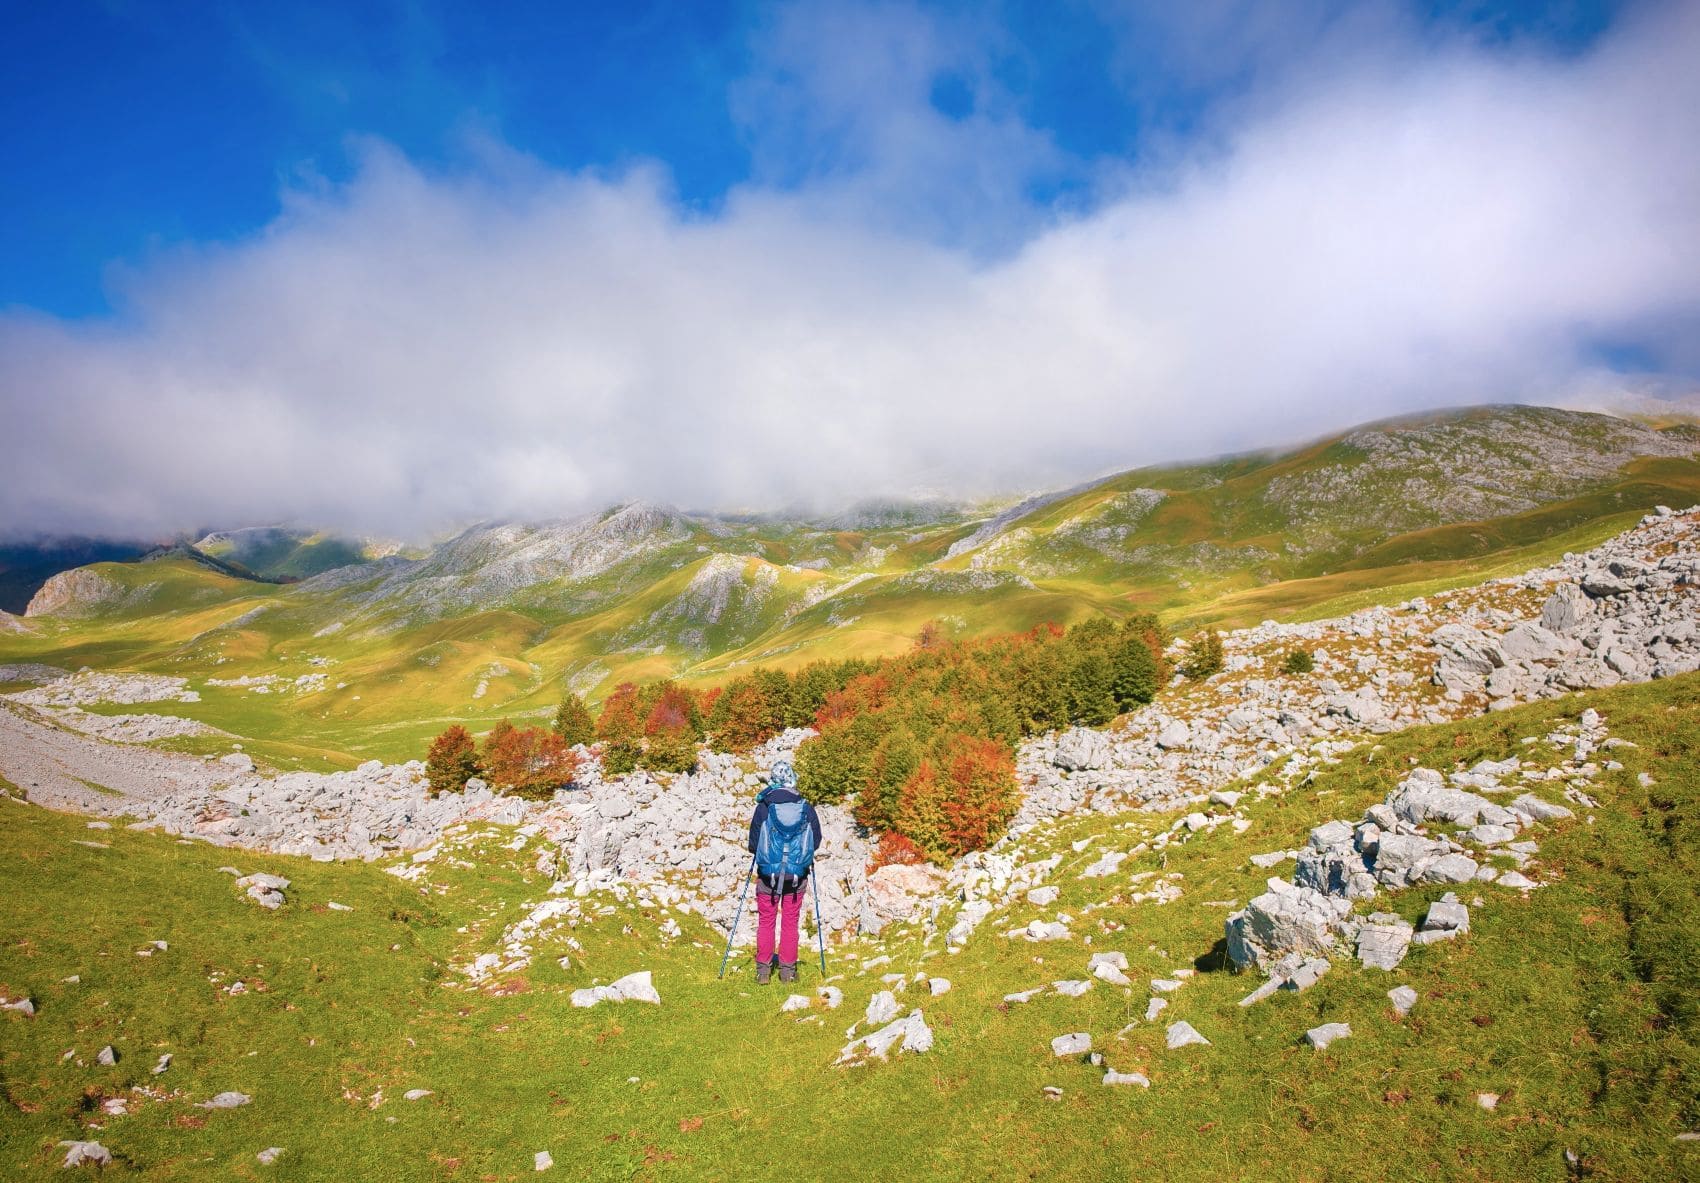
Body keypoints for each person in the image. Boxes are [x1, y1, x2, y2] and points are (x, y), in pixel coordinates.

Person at [747, 759, 821, 984]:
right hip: (797, 876)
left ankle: (763, 972)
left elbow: (753, 843)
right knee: (790, 921)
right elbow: (815, 840)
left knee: (766, 920)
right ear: (792, 779)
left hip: (768, 876)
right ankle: (788, 972)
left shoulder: (764, 807)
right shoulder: (806, 807)